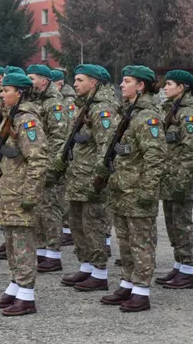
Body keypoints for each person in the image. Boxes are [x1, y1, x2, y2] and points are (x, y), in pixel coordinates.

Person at [96, 65, 165, 313]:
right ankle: (127, 282)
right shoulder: (126, 112)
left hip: (137, 191)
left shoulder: (147, 117)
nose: (121, 85)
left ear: (141, 86)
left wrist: (148, 191)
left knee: (141, 243)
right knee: (124, 241)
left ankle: (142, 291)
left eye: (127, 81)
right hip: (121, 189)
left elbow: (155, 157)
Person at [0, 72, 48, 316]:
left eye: (6, 90)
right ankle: (15, 285)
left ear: (19, 93)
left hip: (20, 192)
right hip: (8, 192)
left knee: (22, 244)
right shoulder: (9, 117)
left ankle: (27, 295)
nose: (2, 95)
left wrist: (30, 195)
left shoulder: (27, 121)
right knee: (12, 243)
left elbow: (38, 160)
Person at [50, 64, 114, 293]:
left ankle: (99, 272)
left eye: (79, 80)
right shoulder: (83, 106)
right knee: (78, 224)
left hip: (90, 179)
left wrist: (98, 178)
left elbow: (105, 148)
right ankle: (86, 266)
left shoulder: (102, 110)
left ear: (93, 82)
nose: (74, 84)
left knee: (93, 224)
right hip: (77, 177)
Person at [156, 70, 193, 289]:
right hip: (169, 179)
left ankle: (188, 271)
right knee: (172, 225)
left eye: (170, 84)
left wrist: (183, 181)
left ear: (181, 88)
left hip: (180, 180)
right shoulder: (171, 110)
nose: (165, 87)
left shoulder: (187, 114)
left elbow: (192, 151)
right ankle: (179, 266)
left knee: (182, 225)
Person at [26, 64, 71, 273]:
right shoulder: (36, 100)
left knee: (50, 209)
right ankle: (42, 250)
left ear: (44, 81)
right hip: (37, 163)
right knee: (39, 208)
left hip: (49, 164)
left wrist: (52, 167)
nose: (29, 81)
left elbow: (59, 138)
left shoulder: (54, 104)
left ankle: (53, 254)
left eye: (32, 78)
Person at [50, 68, 75, 247]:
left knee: (63, 196)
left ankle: (67, 230)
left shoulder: (68, 102)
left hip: (67, 153)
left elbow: (67, 127)